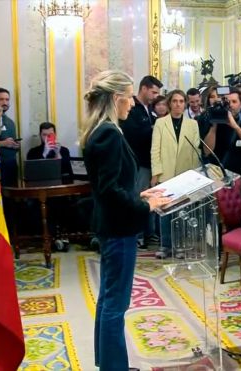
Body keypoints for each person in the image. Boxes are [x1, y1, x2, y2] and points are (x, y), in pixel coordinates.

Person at [81, 70, 170, 370]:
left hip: (114, 225)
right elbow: (109, 190)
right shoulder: (108, 132)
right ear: (117, 98)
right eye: (130, 96)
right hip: (119, 228)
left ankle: (109, 363)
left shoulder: (102, 129)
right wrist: (145, 206)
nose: (132, 103)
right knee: (115, 304)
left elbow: (114, 185)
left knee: (109, 300)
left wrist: (142, 196)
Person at [151, 90, 200, 258]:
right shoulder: (160, 123)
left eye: (181, 101)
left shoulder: (192, 124)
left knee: (182, 211)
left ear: (185, 103)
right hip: (165, 173)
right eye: (175, 101)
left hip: (185, 173)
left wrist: (194, 175)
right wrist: (156, 172)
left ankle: (180, 245)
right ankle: (165, 245)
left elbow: (196, 150)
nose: (178, 104)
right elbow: (155, 149)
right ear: (169, 103)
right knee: (165, 210)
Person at [120, 75, 163, 249]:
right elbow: (132, 134)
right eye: (153, 92)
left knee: (148, 199)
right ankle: (136, 235)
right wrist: (154, 128)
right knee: (137, 198)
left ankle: (149, 234)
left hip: (149, 162)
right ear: (144, 88)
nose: (155, 96)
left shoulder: (148, 109)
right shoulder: (134, 109)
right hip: (137, 163)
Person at [204, 89, 241, 175]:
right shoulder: (213, 125)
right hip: (216, 174)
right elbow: (207, 152)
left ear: (240, 105)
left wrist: (235, 126)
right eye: (227, 102)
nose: (230, 105)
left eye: (234, 101)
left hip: (239, 174)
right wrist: (215, 124)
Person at [0, 87, 20, 187]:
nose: (5, 102)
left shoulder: (10, 122)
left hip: (11, 165)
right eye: (1, 99)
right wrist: (3, 143)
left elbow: (13, 145)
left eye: (7, 99)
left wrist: (16, 145)